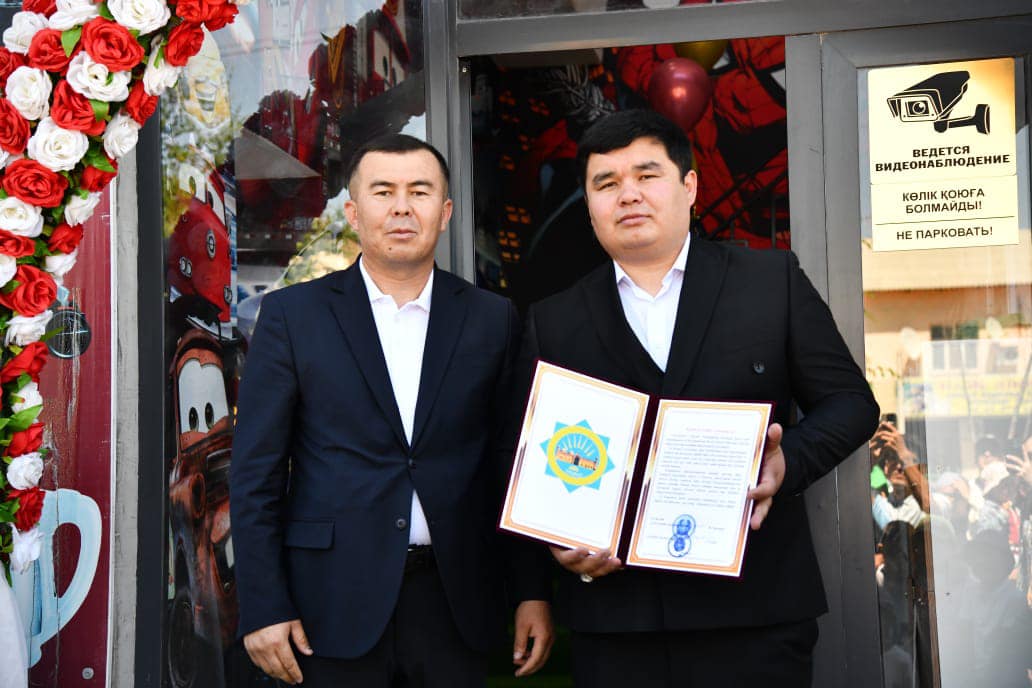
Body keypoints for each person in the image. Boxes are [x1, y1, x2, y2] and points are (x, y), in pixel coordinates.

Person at [513, 109, 879, 686]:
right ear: (589, 206)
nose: (628, 195)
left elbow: (852, 404)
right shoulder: (552, 320)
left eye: (647, 175)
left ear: (689, 186)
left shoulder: (771, 281)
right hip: (618, 624)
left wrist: (787, 462)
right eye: (606, 183)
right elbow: (527, 460)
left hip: (755, 615)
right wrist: (556, 548)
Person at [229, 134, 553, 687]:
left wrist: (531, 591)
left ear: (445, 212)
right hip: (328, 601)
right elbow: (256, 473)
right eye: (383, 192)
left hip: (457, 602)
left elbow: (510, 463)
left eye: (419, 192)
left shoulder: (492, 318)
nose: (402, 207)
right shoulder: (293, 316)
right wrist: (262, 604)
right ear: (354, 213)